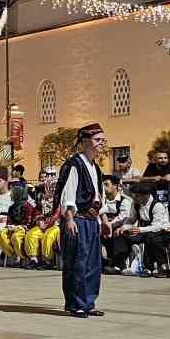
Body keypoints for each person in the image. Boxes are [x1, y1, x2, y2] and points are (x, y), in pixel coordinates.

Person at [55, 123, 106, 317]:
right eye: (97, 140)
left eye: (103, 140)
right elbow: (68, 193)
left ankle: (88, 302)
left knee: (93, 263)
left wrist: (104, 219)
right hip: (78, 220)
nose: (101, 143)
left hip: (92, 221)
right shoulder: (74, 164)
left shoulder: (95, 167)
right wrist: (69, 218)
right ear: (85, 142)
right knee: (78, 262)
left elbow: (98, 196)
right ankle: (75, 303)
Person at [112, 183, 168, 274]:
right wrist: (123, 227)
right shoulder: (136, 204)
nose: (135, 198)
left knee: (151, 237)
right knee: (121, 235)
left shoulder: (157, 206)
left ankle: (149, 267)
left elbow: (158, 226)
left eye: (138, 196)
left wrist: (140, 230)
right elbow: (131, 219)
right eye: (134, 196)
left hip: (157, 231)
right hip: (141, 230)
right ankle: (118, 265)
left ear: (146, 195)